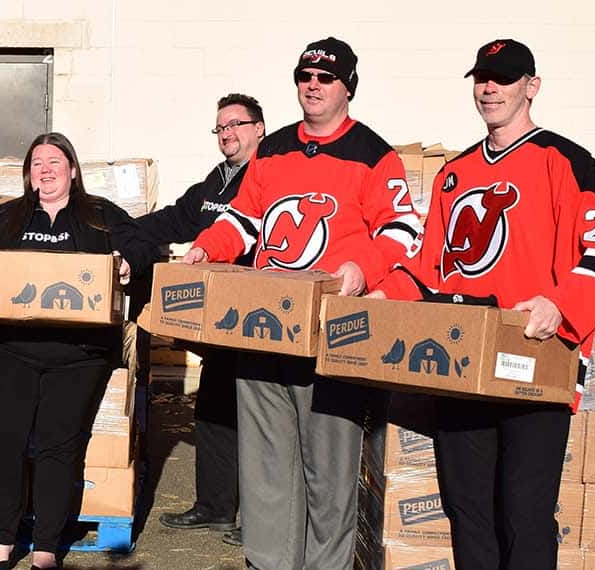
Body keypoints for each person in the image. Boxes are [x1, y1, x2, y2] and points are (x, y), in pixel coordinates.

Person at [370, 39, 595, 569]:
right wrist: (382, 296)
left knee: (525, 512)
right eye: (482, 78)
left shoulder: (570, 163)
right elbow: (425, 266)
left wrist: (560, 304)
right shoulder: (454, 173)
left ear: (531, 87)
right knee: (468, 510)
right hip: (463, 362)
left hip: (537, 357)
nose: (490, 88)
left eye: (504, 78)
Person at [182, 37, 422, 569]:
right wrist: (206, 247)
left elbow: (403, 231)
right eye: (305, 75)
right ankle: (268, 562)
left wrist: (362, 269)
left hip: (331, 330)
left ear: (347, 87)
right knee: (266, 465)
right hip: (265, 325)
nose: (313, 84)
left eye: (325, 77)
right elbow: (243, 218)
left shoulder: (373, 154)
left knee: (328, 470)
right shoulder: (274, 148)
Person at [0, 132, 156, 570]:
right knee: (4, 442)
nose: (46, 169)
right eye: (37, 162)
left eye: (55, 161)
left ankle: (45, 549)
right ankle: (2, 543)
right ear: (28, 173)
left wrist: (128, 261)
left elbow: (142, 244)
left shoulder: (99, 216)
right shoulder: (7, 217)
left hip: (80, 353)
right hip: (12, 348)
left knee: (60, 446)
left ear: (72, 170)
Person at [136, 94, 265, 544]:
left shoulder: (268, 175)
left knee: (257, 420)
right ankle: (214, 506)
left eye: (236, 125)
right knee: (213, 407)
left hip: (256, 317)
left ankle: (263, 522)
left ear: (259, 128)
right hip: (219, 321)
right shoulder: (217, 181)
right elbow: (178, 218)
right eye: (220, 128)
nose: (227, 134)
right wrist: (126, 232)